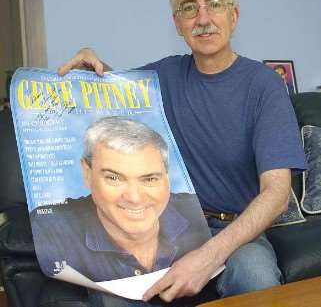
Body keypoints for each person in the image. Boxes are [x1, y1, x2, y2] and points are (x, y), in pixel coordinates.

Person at [58, 0, 307, 306]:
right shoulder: (163, 76)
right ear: (178, 23)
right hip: (164, 227)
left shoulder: (265, 86)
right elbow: (112, 92)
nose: (203, 18)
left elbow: (277, 194)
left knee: (257, 277)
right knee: (110, 290)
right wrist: (91, 70)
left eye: (214, 3)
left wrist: (207, 256)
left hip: (234, 232)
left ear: (233, 15)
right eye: (189, 7)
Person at [30, 116, 210, 282]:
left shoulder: (195, 213)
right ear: (87, 173)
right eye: (114, 178)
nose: (134, 197)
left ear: (167, 177)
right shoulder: (50, 227)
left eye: (149, 179)